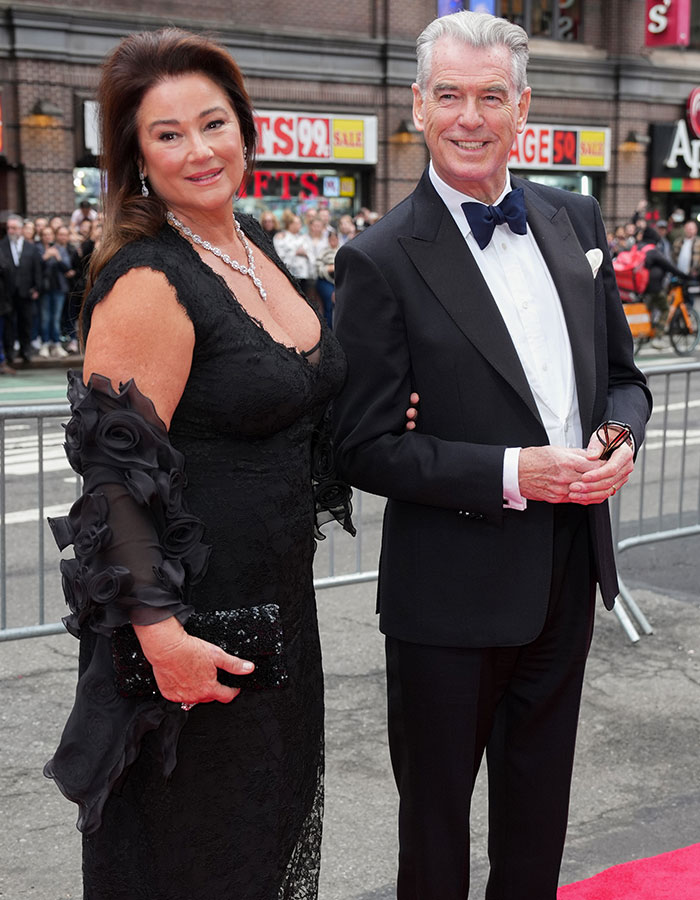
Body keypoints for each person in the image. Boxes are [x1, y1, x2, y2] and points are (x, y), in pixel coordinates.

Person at [332, 11, 652, 900]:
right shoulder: (377, 258)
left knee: (538, 819)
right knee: (436, 836)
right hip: (448, 597)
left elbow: (623, 379)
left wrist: (620, 436)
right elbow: (362, 447)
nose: (469, 118)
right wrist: (515, 472)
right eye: (449, 96)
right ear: (418, 107)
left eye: (490, 97)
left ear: (523, 108)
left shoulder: (574, 216)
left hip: (567, 571)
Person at [44, 27, 355, 900]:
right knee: (198, 860)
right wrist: (161, 638)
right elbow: (113, 480)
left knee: (266, 841)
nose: (200, 149)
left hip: (279, 613)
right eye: (167, 133)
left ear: (245, 129)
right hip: (193, 628)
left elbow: (291, 403)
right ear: (137, 157)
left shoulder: (249, 242)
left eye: (213, 123)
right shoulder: (149, 281)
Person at [0, 214, 42, 365]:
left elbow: (37, 269)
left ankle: (26, 350)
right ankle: (9, 352)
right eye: (9, 228)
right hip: (7, 294)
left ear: (21, 229)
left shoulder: (31, 248)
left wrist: (37, 287)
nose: (11, 231)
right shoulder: (2, 246)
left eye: (14, 228)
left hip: (26, 292)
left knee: (26, 322)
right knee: (9, 324)